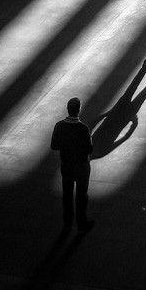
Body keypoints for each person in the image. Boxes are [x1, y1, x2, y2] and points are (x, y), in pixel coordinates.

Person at [50, 97, 94, 234]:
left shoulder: (59, 126)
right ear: (79, 110)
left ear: (67, 109)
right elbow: (89, 150)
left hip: (67, 165)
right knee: (81, 195)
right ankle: (82, 223)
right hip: (81, 166)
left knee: (67, 195)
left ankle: (68, 223)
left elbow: (54, 146)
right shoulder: (83, 128)